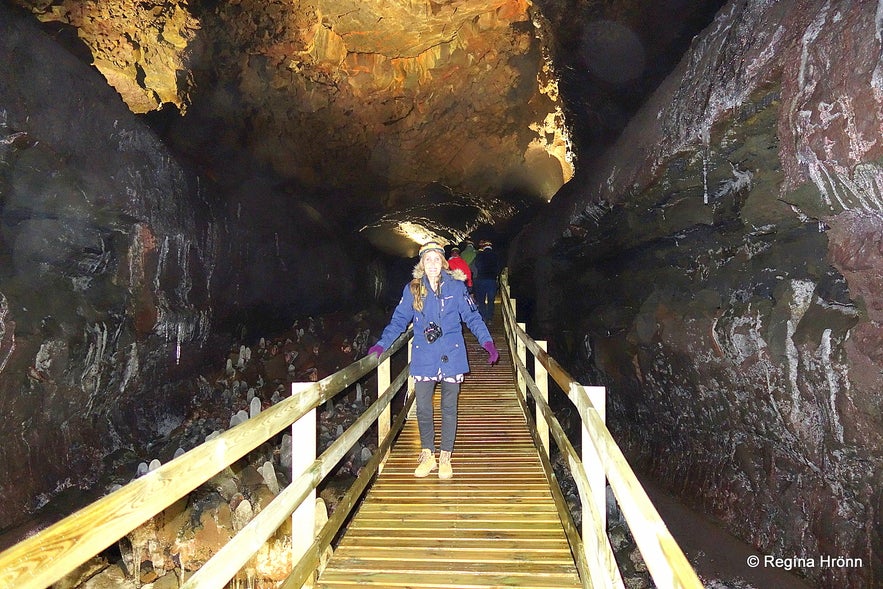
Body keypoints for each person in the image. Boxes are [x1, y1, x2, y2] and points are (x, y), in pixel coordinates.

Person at [368, 241, 499, 480]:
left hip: (452, 352)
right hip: (425, 355)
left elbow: (472, 317)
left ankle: (445, 455)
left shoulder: (456, 287)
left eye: (436, 259)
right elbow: (399, 321)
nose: (432, 264)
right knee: (424, 407)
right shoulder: (413, 289)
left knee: (449, 407)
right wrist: (381, 344)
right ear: (421, 263)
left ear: (443, 262)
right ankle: (428, 453)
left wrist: (487, 342)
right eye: (427, 259)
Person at [472, 239, 500, 323]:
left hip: (481, 279)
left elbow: (476, 265)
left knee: (481, 300)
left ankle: (483, 316)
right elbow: (499, 267)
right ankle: (489, 318)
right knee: (491, 300)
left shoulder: (479, 255)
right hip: (491, 279)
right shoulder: (495, 255)